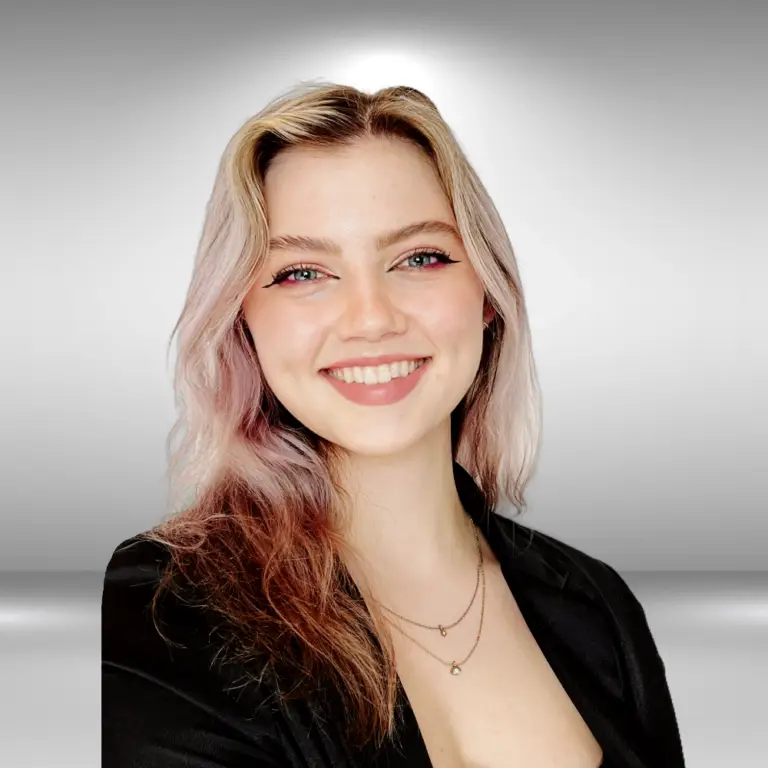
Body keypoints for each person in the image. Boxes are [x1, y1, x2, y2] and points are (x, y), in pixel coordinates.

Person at [101, 82, 686, 768]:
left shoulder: (597, 606)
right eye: (302, 273)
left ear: (488, 296)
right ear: (242, 321)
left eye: (419, 258)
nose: (372, 318)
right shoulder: (165, 609)